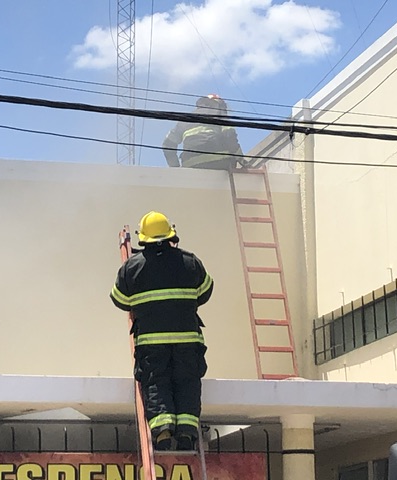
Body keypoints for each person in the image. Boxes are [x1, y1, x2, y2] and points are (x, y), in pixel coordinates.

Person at [110, 211, 214, 451]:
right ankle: (187, 433)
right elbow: (205, 291)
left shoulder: (131, 268)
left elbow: (119, 300)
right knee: (187, 382)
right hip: (187, 340)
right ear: (171, 234)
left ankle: (162, 431)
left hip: (151, 342)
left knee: (156, 382)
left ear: (143, 238)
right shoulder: (190, 262)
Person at [162, 94, 244, 170]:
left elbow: (168, 144)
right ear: (218, 104)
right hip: (219, 163)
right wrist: (242, 160)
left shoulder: (185, 119)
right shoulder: (219, 113)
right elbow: (229, 136)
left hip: (190, 165)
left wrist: (176, 168)